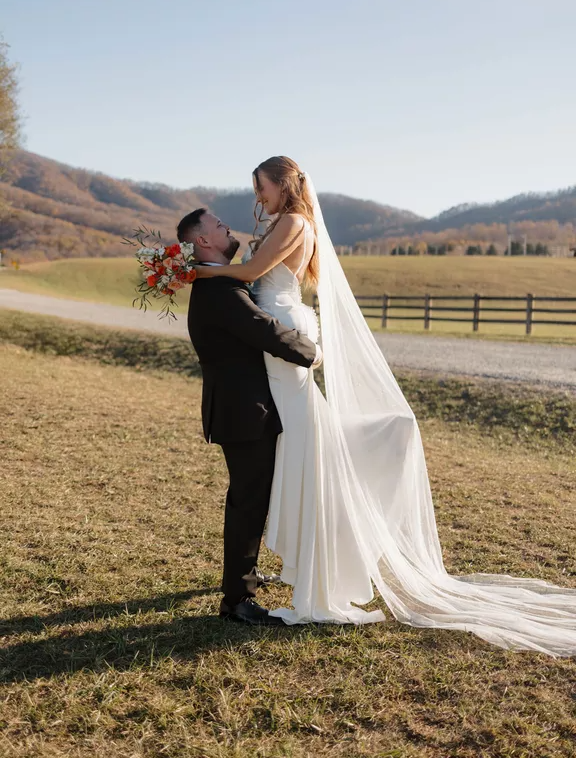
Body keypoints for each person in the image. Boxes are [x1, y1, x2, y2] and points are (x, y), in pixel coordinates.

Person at [193, 156, 576, 657]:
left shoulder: (293, 222)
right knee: (297, 453)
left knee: (304, 452)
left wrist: (197, 270)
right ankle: (284, 565)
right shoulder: (280, 222)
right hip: (277, 336)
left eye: (260, 187)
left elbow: (248, 271)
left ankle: (310, 564)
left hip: (283, 333)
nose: (256, 197)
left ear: (281, 184)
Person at [181, 207, 322, 626]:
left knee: (250, 498)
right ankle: (237, 601)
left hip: (240, 408)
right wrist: (313, 352)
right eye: (218, 226)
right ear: (203, 241)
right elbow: (263, 329)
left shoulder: (218, 283)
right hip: (243, 412)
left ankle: (242, 581)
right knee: (248, 503)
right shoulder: (219, 291)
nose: (227, 228)